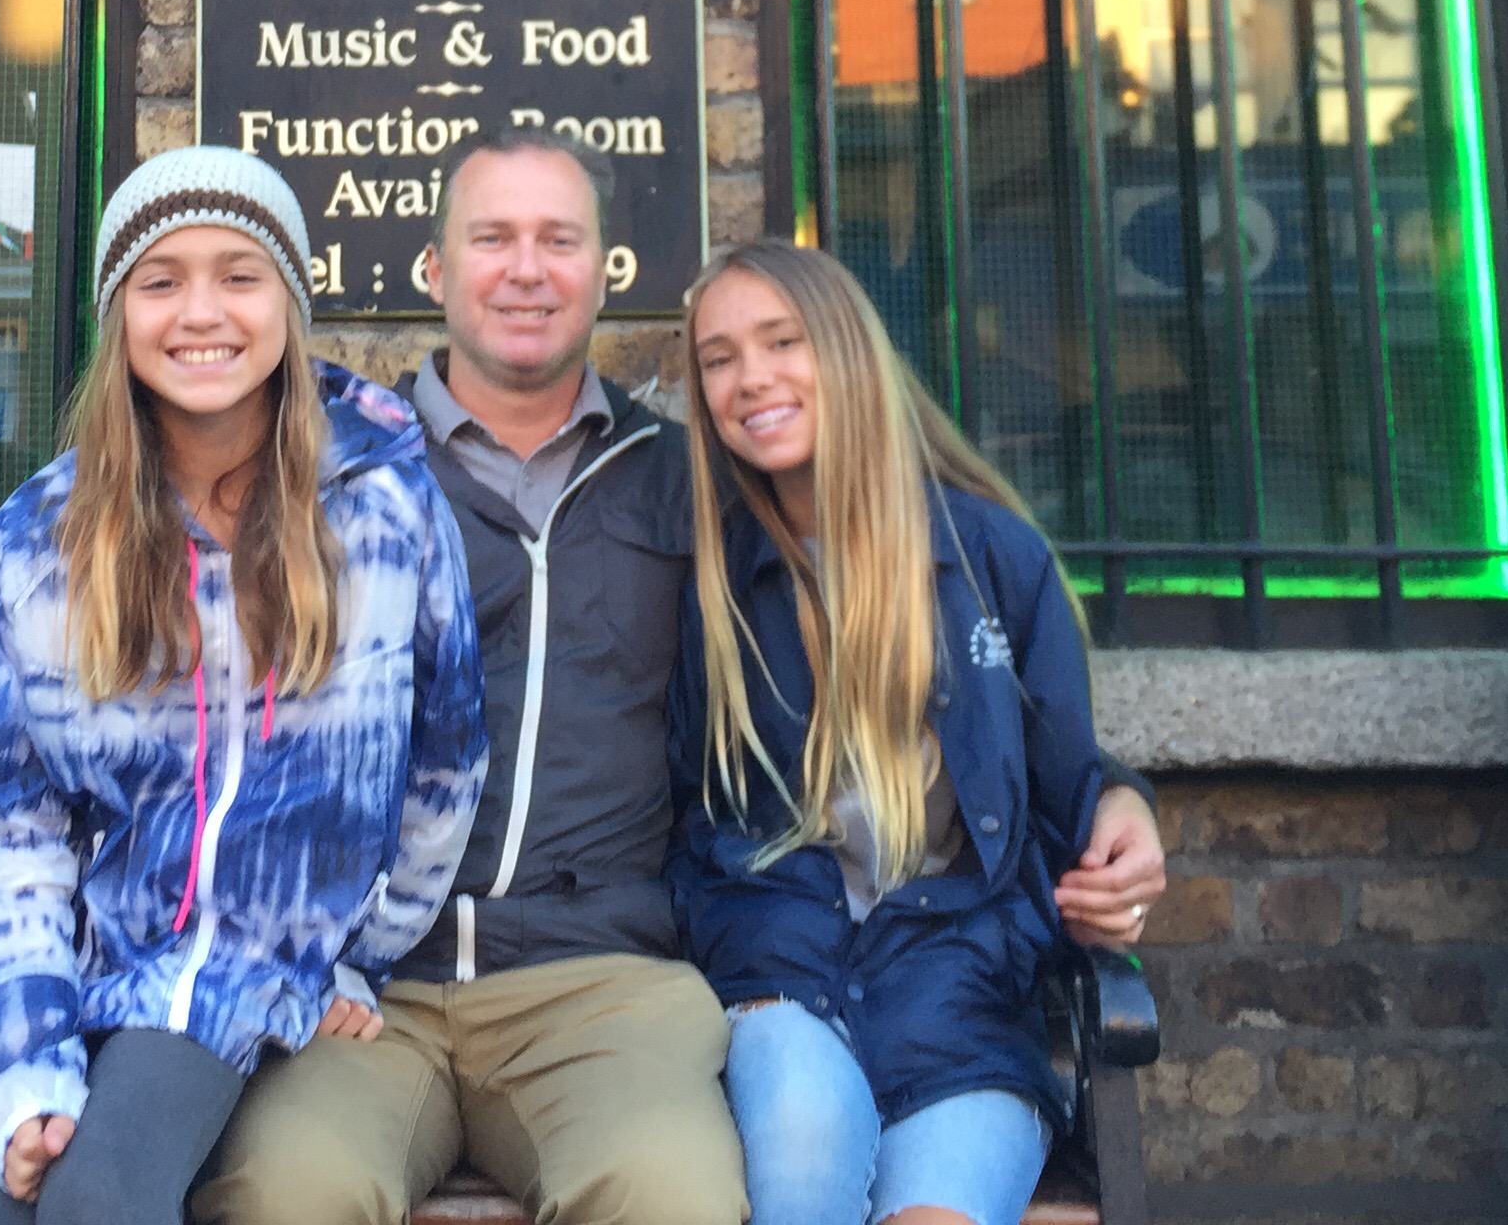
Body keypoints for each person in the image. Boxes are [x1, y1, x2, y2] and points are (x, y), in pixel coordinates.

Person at [198, 133, 1164, 1225]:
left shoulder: (689, 487)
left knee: (677, 1199)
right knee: (285, 1193)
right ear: (434, 268)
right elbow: (206, 727)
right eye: (494, 238)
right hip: (367, 984)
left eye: (559, 240)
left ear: (606, 270)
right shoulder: (334, 476)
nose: (526, 269)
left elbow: (923, 666)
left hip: (603, 983)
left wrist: (1114, 796)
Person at [0, 146, 490, 1225]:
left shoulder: (386, 511)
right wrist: (23, 1066)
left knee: (98, 1198)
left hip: (224, 974)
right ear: (117, 315)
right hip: (24, 950)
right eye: (160, 280)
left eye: (240, 275)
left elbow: (444, 764)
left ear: (289, 302)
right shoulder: (39, 537)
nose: (201, 312)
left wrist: (353, 952)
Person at [671, 238, 1114, 1225]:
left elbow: (1067, 784)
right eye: (719, 359)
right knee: (803, 1142)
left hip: (960, 1007)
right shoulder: (711, 582)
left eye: (783, 341)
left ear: (847, 349)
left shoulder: (991, 557)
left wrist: (1126, 810)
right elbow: (682, 812)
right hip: (780, 985)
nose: (752, 378)